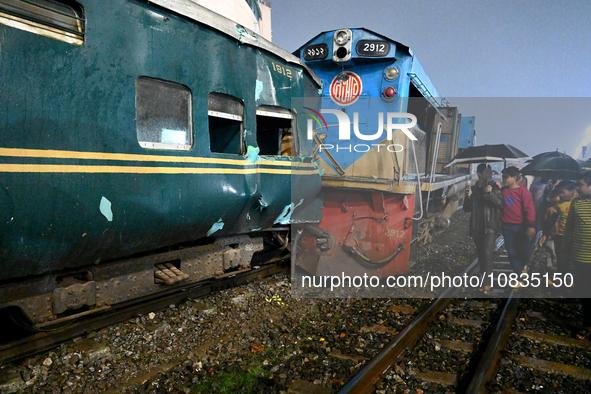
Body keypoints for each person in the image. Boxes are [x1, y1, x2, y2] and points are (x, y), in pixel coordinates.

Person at [464, 164, 503, 293]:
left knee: (487, 254)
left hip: (490, 226)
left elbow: (500, 205)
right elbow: (467, 209)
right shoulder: (474, 188)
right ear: (479, 174)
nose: (490, 174)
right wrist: (468, 197)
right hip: (477, 226)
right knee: (481, 254)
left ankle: (487, 283)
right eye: (487, 172)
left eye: (491, 172)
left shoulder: (495, 187)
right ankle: (483, 279)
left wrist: (490, 193)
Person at [561, 172, 591, 338]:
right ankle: (588, 326)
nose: (577, 188)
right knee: (585, 292)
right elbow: (569, 229)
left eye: (580, 185)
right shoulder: (577, 203)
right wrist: (565, 251)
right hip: (580, 257)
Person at [500, 166, 536, 277]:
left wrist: (530, 225)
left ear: (514, 178)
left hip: (521, 226)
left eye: (506, 177)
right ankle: (518, 274)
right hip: (506, 226)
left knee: (524, 251)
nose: (503, 179)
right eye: (503, 177)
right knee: (511, 252)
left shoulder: (523, 192)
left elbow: (529, 209)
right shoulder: (502, 191)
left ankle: (523, 266)